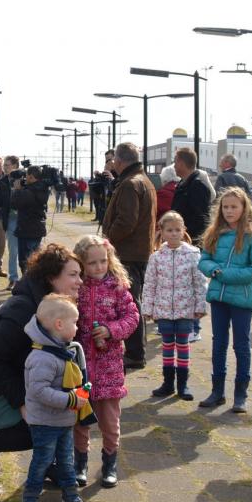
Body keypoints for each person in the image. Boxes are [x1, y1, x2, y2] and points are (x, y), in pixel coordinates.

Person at [0, 244, 84, 487]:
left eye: (80, 274)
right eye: (73, 275)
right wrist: (21, 402)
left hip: (5, 371)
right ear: (52, 277)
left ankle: (48, 465)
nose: (80, 281)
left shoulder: (52, 305)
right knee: (35, 426)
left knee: (51, 413)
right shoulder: (24, 309)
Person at [71, 236, 139, 489]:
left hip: (109, 366)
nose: (99, 267)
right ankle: (80, 464)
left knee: (110, 422)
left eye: (103, 261)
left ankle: (110, 463)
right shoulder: (76, 287)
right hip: (81, 368)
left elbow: (132, 317)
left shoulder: (118, 286)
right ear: (81, 263)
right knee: (80, 420)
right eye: (92, 263)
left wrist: (111, 331)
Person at [197, 187, 252, 412]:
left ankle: (241, 394)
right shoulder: (215, 232)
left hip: (242, 300)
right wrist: (213, 271)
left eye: (234, 207)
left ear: (244, 208)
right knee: (218, 343)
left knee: (241, 345)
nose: (229, 211)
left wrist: (225, 275)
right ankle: (217, 391)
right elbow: (204, 259)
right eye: (226, 207)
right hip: (219, 298)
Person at [21, 296, 88, 502]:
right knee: (42, 460)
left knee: (66, 460)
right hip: (45, 422)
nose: (77, 327)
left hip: (63, 421)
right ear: (59, 324)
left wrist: (80, 392)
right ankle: (30, 498)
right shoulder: (43, 357)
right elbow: (38, 391)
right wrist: (70, 399)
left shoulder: (61, 351)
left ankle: (70, 495)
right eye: (74, 322)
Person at [100, 143, 156, 369]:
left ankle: (135, 353)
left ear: (120, 161)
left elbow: (126, 221)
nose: (112, 163)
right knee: (132, 301)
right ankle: (135, 351)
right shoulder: (144, 181)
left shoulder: (130, 184)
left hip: (128, 253)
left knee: (129, 304)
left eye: (114, 159)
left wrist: (107, 239)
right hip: (139, 251)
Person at [142, 211, 208, 401]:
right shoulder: (156, 257)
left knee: (184, 345)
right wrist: (147, 308)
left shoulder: (193, 255)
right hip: (163, 310)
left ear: (183, 231)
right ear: (161, 232)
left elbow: (200, 282)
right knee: (167, 346)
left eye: (177, 230)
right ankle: (168, 383)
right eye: (169, 230)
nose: (173, 234)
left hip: (185, 309)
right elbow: (150, 284)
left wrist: (200, 306)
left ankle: (183, 384)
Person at [170, 147, 215, 343]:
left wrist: (191, 239)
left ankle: (194, 328)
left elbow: (201, 217)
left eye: (175, 160)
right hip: (180, 240)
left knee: (192, 284)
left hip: (192, 242)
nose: (173, 165)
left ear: (182, 162)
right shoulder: (184, 183)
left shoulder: (197, 185)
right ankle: (181, 324)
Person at [11, 165, 51, 277]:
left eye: (27, 176)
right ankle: (34, 283)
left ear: (32, 177)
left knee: (25, 262)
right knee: (35, 259)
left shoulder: (28, 192)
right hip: (37, 229)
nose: (25, 178)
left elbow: (14, 204)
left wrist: (17, 190)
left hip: (26, 230)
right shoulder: (43, 189)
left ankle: (28, 286)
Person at [2, 155, 24, 288]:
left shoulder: (24, 179)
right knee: (13, 250)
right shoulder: (4, 180)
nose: (5, 167)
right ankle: (13, 278)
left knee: (27, 251)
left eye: (7, 165)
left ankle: (27, 279)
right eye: (4, 165)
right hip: (10, 218)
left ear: (15, 166)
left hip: (25, 218)